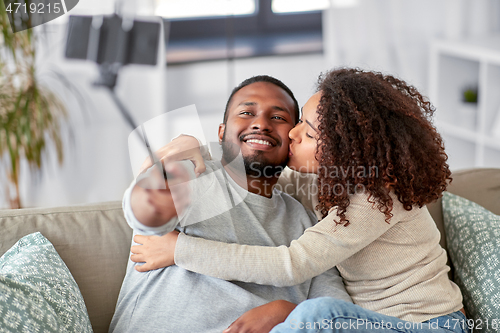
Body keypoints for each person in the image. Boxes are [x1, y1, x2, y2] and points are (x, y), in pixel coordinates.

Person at [131, 68, 470, 333]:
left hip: (427, 325)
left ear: (342, 152)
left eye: (307, 133)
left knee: (317, 315)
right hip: (364, 323)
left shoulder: (375, 198)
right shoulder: (325, 185)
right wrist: (197, 148)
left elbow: (292, 264)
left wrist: (181, 251)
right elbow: (258, 167)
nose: (291, 133)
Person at [109, 75, 351, 333]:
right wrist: (154, 192)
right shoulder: (191, 175)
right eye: (247, 112)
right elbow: (142, 213)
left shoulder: (307, 223)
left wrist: (287, 312)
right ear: (222, 132)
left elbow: (339, 317)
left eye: (278, 117)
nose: (261, 124)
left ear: (292, 141)